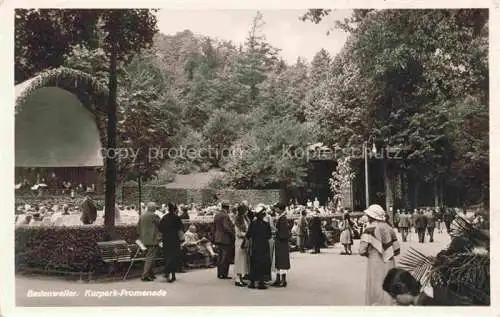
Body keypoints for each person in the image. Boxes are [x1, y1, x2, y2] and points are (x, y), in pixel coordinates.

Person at [359, 204, 400, 306]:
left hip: (375, 261)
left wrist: (371, 252)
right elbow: (397, 250)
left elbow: (362, 250)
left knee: (375, 285)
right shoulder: (389, 228)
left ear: (372, 216)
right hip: (389, 261)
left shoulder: (369, 229)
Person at [246, 205, 272, 289]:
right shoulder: (266, 224)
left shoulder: (253, 224)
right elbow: (269, 236)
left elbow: (248, 234)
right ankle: (261, 282)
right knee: (263, 264)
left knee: (254, 263)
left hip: (255, 245)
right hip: (264, 246)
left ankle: (252, 282)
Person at [159, 203, 184, 283]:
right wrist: (181, 239)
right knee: (174, 256)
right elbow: (180, 229)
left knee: (167, 256)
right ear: (174, 209)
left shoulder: (164, 217)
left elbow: (160, 228)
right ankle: (170, 273)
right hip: (175, 239)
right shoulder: (177, 218)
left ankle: (169, 273)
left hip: (166, 239)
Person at [137, 202, 161, 282]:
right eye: (155, 208)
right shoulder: (154, 216)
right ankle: (145, 275)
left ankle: (151, 274)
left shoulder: (142, 216)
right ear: (153, 208)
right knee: (150, 258)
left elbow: (138, 228)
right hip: (153, 240)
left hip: (143, 240)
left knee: (149, 257)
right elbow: (161, 226)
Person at [213, 201, 235, 279]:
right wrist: (232, 234)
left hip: (218, 238)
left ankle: (219, 273)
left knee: (220, 256)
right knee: (225, 257)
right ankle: (224, 274)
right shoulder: (225, 216)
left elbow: (214, 227)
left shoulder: (217, 215)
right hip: (225, 238)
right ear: (227, 207)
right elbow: (226, 227)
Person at [272, 202, 290, 287]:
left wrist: (276, 231)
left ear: (280, 209)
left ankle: (283, 280)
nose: (275, 209)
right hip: (280, 242)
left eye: (276, 208)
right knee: (279, 260)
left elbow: (284, 232)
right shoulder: (281, 217)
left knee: (282, 261)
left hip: (282, 242)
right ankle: (278, 278)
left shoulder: (283, 218)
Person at [233, 204, 249, 287]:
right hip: (240, 242)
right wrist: (247, 234)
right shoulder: (237, 220)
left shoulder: (245, 218)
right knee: (239, 260)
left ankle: (241, 277)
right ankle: (237, 278)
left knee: (242, 260)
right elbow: (238, 233)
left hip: (244, 241)